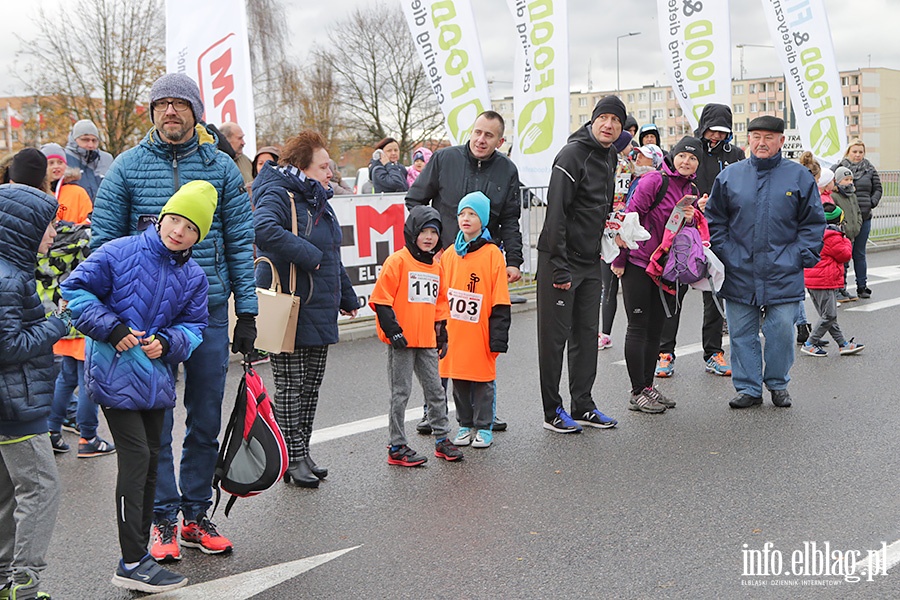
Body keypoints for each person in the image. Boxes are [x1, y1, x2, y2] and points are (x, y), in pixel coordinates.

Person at [91, 72, 258, 559]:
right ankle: (163, 518)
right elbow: (103, 244)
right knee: (156, 425)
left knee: (205, 418)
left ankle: (195, 514)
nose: (170, 111)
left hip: (204, 313)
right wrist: (111, 319)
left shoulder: (223, 169)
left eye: (179, 104)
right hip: (143, 320)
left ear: (196, 112)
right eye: (161, 104)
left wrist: (245, 313)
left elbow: (238, 244)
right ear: (152, 112)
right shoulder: (126, 167)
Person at [61, 181, 216, 593]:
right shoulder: (119, 250)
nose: (179, 230)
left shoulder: (195, 277)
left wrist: (167, 343)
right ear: (162, 217)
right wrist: (111, 329)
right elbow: (73, 291)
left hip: (156, 378)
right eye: (175, 219)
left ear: (199, 235)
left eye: (191, 226)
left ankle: (140, 556)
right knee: (136, 461)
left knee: (150, 461)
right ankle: (131, 560)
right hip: (113, 374)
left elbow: (195, 327)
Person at [253, 130, 359, 488]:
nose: (330, 173)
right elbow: (263, 229)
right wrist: (308, 255)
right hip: (291, 306)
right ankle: (290, 458)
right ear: (302, 166)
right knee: (290, 387)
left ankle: (302, 451)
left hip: (317, 305)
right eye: (324, 166)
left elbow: (331, 255)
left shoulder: (316, 199)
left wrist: (346, 297)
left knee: (310, 387)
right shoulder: (278, 192)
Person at [406, 110, 523, 433]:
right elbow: (415, 200)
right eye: (477, 132)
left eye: (489, 136)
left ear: (500, 141)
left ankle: (483, 413)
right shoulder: (445, 160)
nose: (481, 140)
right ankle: (434, 409)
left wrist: (513, 260)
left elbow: (511, 218)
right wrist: (432, 240)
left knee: (479, 339)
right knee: (440, 338)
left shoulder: (507, 170)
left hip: (482, 266)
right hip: (443, 262)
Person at [705, 115, 825, 409]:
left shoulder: (798, 177)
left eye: (769, 137)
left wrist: (798, 256)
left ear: (781, 141)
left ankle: (777, 383)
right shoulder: (730, 176)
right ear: (748, 140)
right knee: (742, 332)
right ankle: (748, 388)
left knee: (782, 330)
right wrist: (727, 254)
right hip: (739, 269)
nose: (762, 142)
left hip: (783, 270)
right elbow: (715, 221)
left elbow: (813, 223)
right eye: (756, 136)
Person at [0, 148, 69, 600]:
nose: (53, 231)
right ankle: (25, 581)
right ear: (25, 226)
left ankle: (6, 576)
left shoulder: (11, 270)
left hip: (10, 401)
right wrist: (58, 324)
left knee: (9, 495)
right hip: (15, 403)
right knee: (42, 488)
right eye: (47, 223)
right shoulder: (8, 278)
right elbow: (7, 347)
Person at [536, 96, 624, 433]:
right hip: (560, 261)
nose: (609, 125)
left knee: (587, 336)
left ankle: (583, 404)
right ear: (592, 121)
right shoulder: (572, 155)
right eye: (603, 117)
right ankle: (552, 411)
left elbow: (597, 207)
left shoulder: (610, 155)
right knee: (555, 339)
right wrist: (558, 264)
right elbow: (555, 213)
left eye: (615, 120)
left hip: (590, 260)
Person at [611, 136, 705, 413]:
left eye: (693, 158)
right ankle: (636, 391)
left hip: (664, 266)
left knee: (655, 329)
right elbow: (630, 218)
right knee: (638, 326)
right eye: (682, 156)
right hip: (639, 262)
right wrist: (620, 259)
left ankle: (648, 386)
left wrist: (691, 217)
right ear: (672, 157)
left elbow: (680, 226)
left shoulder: (691, 189)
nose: (686, 162)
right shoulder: (654, 181)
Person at [37, 143, 116, 459]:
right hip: (75, 298)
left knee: (69, 374)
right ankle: (87, 437)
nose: (56, 167)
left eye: (59, 162)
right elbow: (90, 238)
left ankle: (52, 432)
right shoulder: (43, 200)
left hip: (57, 301)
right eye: (49, 162)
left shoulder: (76, 192)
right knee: (85, 376)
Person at [369, 205, 463, 466]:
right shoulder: (398, 261)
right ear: (412, 232)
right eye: (424, 231)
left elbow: (440, 303)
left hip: (427, 341)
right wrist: (393, 331)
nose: (429, 237)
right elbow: (381, 299)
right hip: (402, 341)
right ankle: (397, 445)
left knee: (436, 390)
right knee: (401, 392)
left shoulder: (436, 266)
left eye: (434, 232)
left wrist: (441, 335)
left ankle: (442, 439)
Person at [655, 103, 743, 380]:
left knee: (715, 296)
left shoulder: (736, 155)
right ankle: (664, 353)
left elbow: (741, 191)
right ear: (703, 126)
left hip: (718, 234)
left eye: (722, 132)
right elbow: (669, 186)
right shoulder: (689, 149)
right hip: (683, 234)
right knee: (674, 294)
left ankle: (713, 353)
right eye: (712, 131)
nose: (716, 137)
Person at [440, 192, 510, 449]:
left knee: (482, 380)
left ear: (483, 219)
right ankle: (465, 424)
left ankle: (484, 426)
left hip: (481, 330)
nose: (466, 219)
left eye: (472, 214)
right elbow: (441, 296)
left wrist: (498, 335)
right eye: (462, 214)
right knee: (458, 379)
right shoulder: (449, 255)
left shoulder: (492, 254)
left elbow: (500, 298)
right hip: (455, 330)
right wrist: (439, 329)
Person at [798, 202, 864, 358]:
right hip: (824, 281)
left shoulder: (817, 232)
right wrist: (847, 240)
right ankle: (810, 343)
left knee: (827, 316)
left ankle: (843, 344)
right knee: (829, 315)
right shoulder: (832, 236)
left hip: (814, 280)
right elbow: (845, 255)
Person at [597, 131, 635, 350]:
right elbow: (619, 203)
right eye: (629, 144)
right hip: (618, 233)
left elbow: (617, 203)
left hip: (611, 232)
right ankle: (617, 333)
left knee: (609, 288)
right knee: (616, 288)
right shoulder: (621, 164)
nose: (632, 148)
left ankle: (606, 333)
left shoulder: (616, 164)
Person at [835, 139, 882, 299]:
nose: (857, 155)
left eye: (860, 152)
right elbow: (829, 186)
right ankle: (841, 288)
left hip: (864, 216)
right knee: (844, 254)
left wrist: (871, 202)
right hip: (845, 219)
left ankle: (862, 286)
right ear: (848, 152)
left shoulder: (869, 169)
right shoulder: (839, 168)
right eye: (854, 151)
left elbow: (878, 188)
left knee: (859, 253)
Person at [832, 165, 863, 301]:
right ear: (838, 181)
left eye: (851, 179)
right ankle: (836, 289)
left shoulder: (853, 196)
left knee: (846, 264)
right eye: (846, 179)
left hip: (851, 236)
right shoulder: (835, 196)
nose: (849, 182)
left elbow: (857, 212)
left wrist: (857, 225)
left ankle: (843, 288)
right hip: (841, 235)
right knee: (838, 265)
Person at [64, 119, 114, 201]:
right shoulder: (64, 158)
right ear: (74, 139)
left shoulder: (106, 159)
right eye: (85, 139)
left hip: (102, 210)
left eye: (94, 140)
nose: (90, 145)